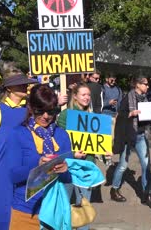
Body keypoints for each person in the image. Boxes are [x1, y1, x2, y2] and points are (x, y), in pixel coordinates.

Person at [0, 72, 38, 230]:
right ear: (9, 88)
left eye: (26, 83)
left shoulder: (29, 109)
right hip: (0, 169)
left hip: (21, 168)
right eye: (21, 83)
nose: (25, 86)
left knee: (18, 211)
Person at [9, 84, 73, 228]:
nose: (45, 116)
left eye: (50, 111)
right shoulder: (18, 134)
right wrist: (37, 166)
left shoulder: (62, 135)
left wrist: (65, 169)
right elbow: (13, 175)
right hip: (25, 212)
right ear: (31, 108)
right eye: (40, 110)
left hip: (55, 212)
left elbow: (69, 178)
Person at [57, 82, 96, 230]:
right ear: (75, 96)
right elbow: (60, 142)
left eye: (88, 95)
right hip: (68, 165)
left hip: (87, 166)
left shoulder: (92, 116)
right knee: (64, 204)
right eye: (83, 95)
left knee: (84, 206)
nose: (87, 98)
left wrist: (105, 151)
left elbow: (96, 142)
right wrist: (74, 154)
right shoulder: (66, 115)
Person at [110, 75, 151, 208]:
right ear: (138, 85)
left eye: (147, 84)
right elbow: (120, 116)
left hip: (140, 135)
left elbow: (146, 117)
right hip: (128, 136)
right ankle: (114, 189)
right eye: (145, 84)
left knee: (146, 165)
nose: (147, 86)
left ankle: (146, 194)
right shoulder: (127, 98)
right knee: (123, 165)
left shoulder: (145, 99)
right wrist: (131, 114)